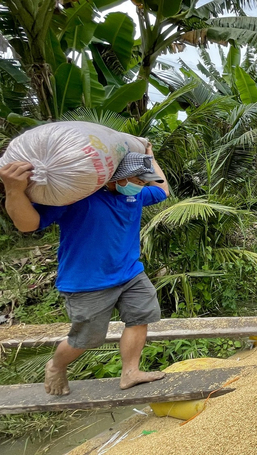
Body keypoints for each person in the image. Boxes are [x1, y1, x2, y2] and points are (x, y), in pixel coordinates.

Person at [0, 144, 170, 395]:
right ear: (116, 177)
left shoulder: (134, 195)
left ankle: (130, 372)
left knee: (141, 316)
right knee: (87, 339)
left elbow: (162, 189)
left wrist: (150, 158)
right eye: (137, 178)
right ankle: (56, 365)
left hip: (130, 273)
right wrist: (13, 190)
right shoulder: (77, 198)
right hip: (87, 282)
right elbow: (28, 224)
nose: (142, 184)